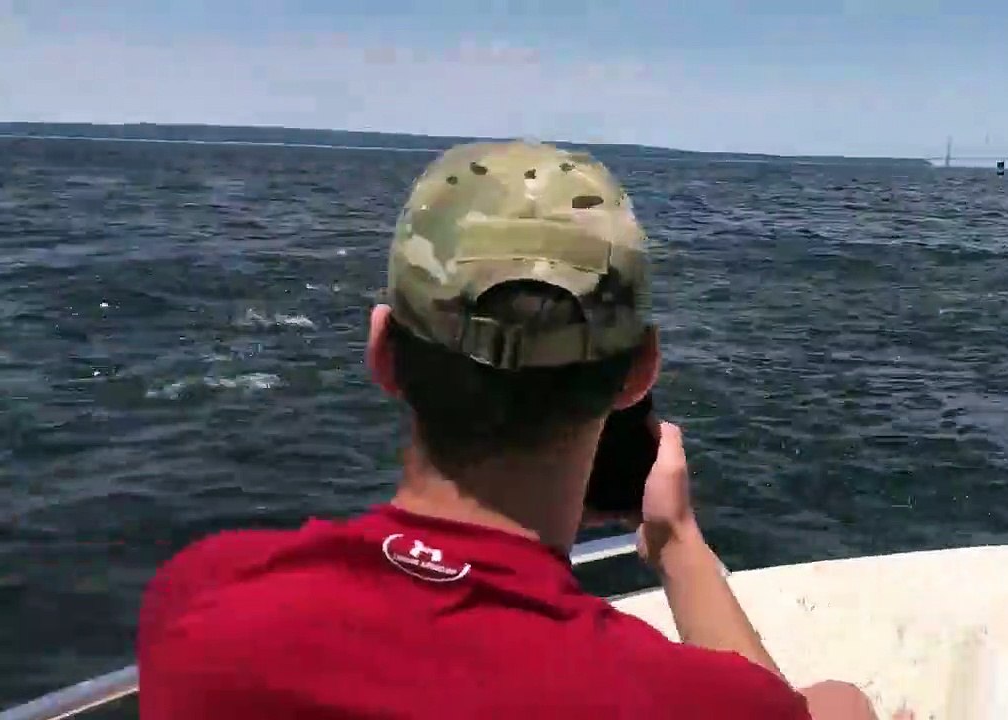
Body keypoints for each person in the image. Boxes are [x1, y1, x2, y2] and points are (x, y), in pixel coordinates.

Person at [137, 141, 895, 719]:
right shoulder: (678, 701)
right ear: (641, 371)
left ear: (382, 353)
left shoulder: (201, 602)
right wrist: (677, 544)